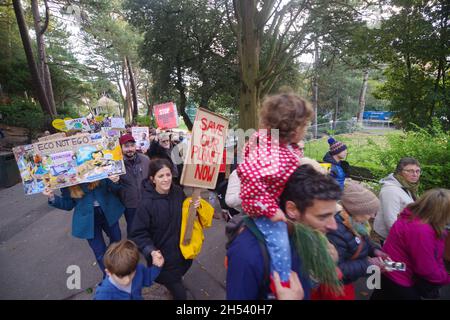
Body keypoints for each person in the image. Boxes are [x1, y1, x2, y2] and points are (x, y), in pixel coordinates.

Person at [227, 164, 342, 300]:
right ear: (292, 209)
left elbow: (304, 282)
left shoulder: (306, 235)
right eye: (322, 216)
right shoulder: (247, 253)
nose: (334, 226)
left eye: (333, 214)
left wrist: (321, 264)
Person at [237, 93, 314, 288]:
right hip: (262, 205)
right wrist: (271, 211)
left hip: (271, 195)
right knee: (280, 243)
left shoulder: (272, 140)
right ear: (293, 128)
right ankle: (282, 282)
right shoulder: (272, 153)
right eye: (304, 125)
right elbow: (249, 178)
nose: (306, 129)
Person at [129, 159, 211, 300]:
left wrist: (194, 207)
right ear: (152, 179)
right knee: (180, 294)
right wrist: (151, 251)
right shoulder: (146, 204)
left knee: (177, 279)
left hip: (183, 252)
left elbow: (187, 214)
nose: (166, 179)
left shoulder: (178, 192)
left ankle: (172, 288)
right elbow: (138, 233)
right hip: (164, 259)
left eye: (168, 175)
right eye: (161, 176)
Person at [371, 189, 450, 300]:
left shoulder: (409, 216)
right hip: (401, 277)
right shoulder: (421, 230)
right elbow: (425, 268)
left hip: (391, 268)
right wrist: (445, 277)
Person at [42, 177, 124, 277]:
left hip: (108, 210)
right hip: (87, 219)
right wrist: (52, 197)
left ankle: (117, 264)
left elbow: (114, 188)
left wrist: (115, 181)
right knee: (99, 251)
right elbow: (68, 204)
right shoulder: (67, 180)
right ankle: (109, 277)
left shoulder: (97, 168)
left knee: (116, 239)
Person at [326, 181, 389, 299]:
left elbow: (365, 241)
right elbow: (336, 269)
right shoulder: (336, 232)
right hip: (336, 286)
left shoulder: (358, 224)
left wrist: (375, 250)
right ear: (356, 210)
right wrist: (368, 263)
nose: (373, 216)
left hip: (348, 281)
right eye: (370, 212)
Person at [94, 239, 164, 300]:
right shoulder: (103, 293)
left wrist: (157, 265)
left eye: (131, 274)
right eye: (121, 276)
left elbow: (147, 277)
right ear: (108, 272)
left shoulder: (137, 269)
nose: (127, 280)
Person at [373, 157, 421, 243]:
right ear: (400, 172)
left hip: (406, 233)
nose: (415, 174)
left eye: (417, 171)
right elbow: (391, 223)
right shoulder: (390, 191)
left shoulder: (407, 186)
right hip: (393, 240)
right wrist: (409, 241)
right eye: (410, 171)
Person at [118, 134, 150, 236]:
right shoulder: (117, 164)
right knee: (132, 229)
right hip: (129, 204)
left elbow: (152, 178)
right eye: (126, 146)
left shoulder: (145, 159)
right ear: (121, 147)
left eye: (132, 145)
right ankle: (133, 249)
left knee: (148, 226)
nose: (130, 149)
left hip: (146, 201)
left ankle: (147, 248)